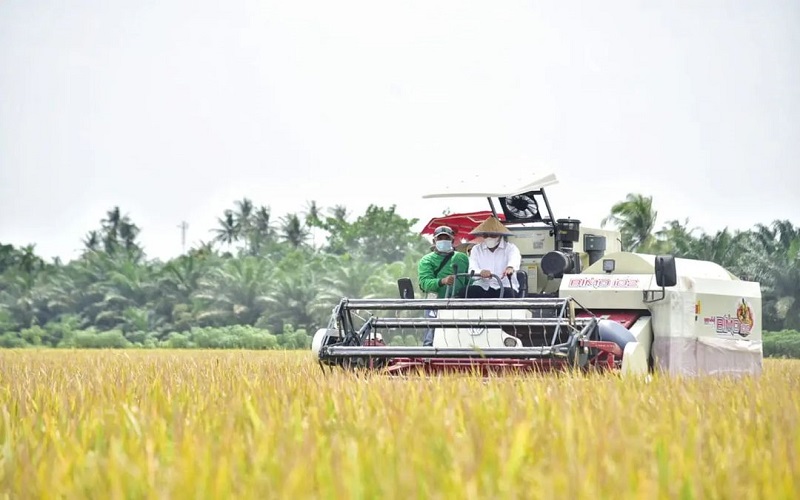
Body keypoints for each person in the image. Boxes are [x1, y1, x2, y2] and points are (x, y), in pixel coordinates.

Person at [417, 225, 470, 346]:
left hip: (458, 303)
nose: (443, 241)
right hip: (435, 302)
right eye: (440, 238)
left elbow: (469, 280)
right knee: (431, 337)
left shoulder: (462, 258)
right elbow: (424, 283)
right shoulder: (426, 260)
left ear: (452, 240)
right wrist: (442, 281)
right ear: (434, 241)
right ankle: (428, 360)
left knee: (460, 337)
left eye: (446, 238)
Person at [466, 216, 521, 298]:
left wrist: (510, 267)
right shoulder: (476, 249)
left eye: (492, 235)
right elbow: (472, 270)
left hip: (505, 286)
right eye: (485, 235)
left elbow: (514, 260)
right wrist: (481, 272)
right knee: (467, 292)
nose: (489, 237)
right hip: (483, 286)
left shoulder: (511, 248)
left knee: (508, 294)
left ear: (499, 235)